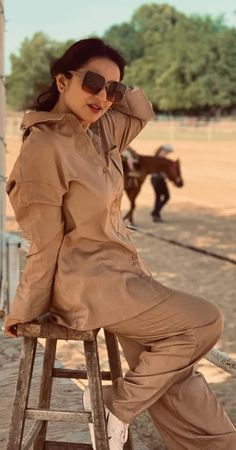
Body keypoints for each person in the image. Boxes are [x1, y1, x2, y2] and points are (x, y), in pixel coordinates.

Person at [4, 38, 236, 450]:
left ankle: (217, 445)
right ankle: (117, 404)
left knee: (173, 370)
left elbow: (142, 112)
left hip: (123, 277)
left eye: (112, 88)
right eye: (92, 82)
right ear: (62, 79)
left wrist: (113, 91)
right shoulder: (43, 147)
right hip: (88, 285)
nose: (103, 96)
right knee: (204, 320)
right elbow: (43, 241)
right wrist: (24, 309)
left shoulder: (101, 130)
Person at [151, 144, 173, 222]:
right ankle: (155, 212)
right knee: (166, 196)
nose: (167, 154)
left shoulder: (158, 158)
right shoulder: (159, 159)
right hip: (158, 180)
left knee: (158, 197)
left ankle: (156, 215)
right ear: (162, 150)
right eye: (167, 152)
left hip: (156, 179)